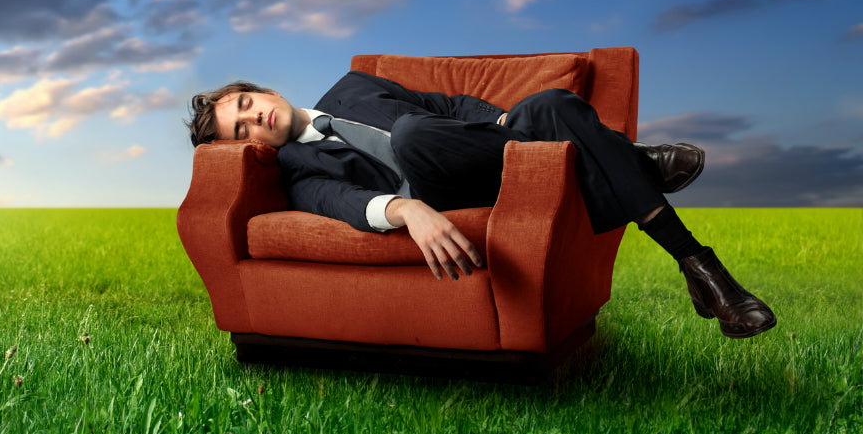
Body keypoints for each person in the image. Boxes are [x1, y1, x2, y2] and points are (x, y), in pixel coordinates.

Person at [185, 71, 776, 339]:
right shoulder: (294, 170)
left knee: (549, 106)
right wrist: (407, 212)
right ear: (251, 147)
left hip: (498, 157)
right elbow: (339, 201)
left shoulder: (353, 87)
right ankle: (634, 163)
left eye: (244, 103)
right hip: (444, 189)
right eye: (241, 131)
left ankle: (700, 271)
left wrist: (503, 124)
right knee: (416, 136)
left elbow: (446, 102)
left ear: (262, 90)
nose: (253, 119)